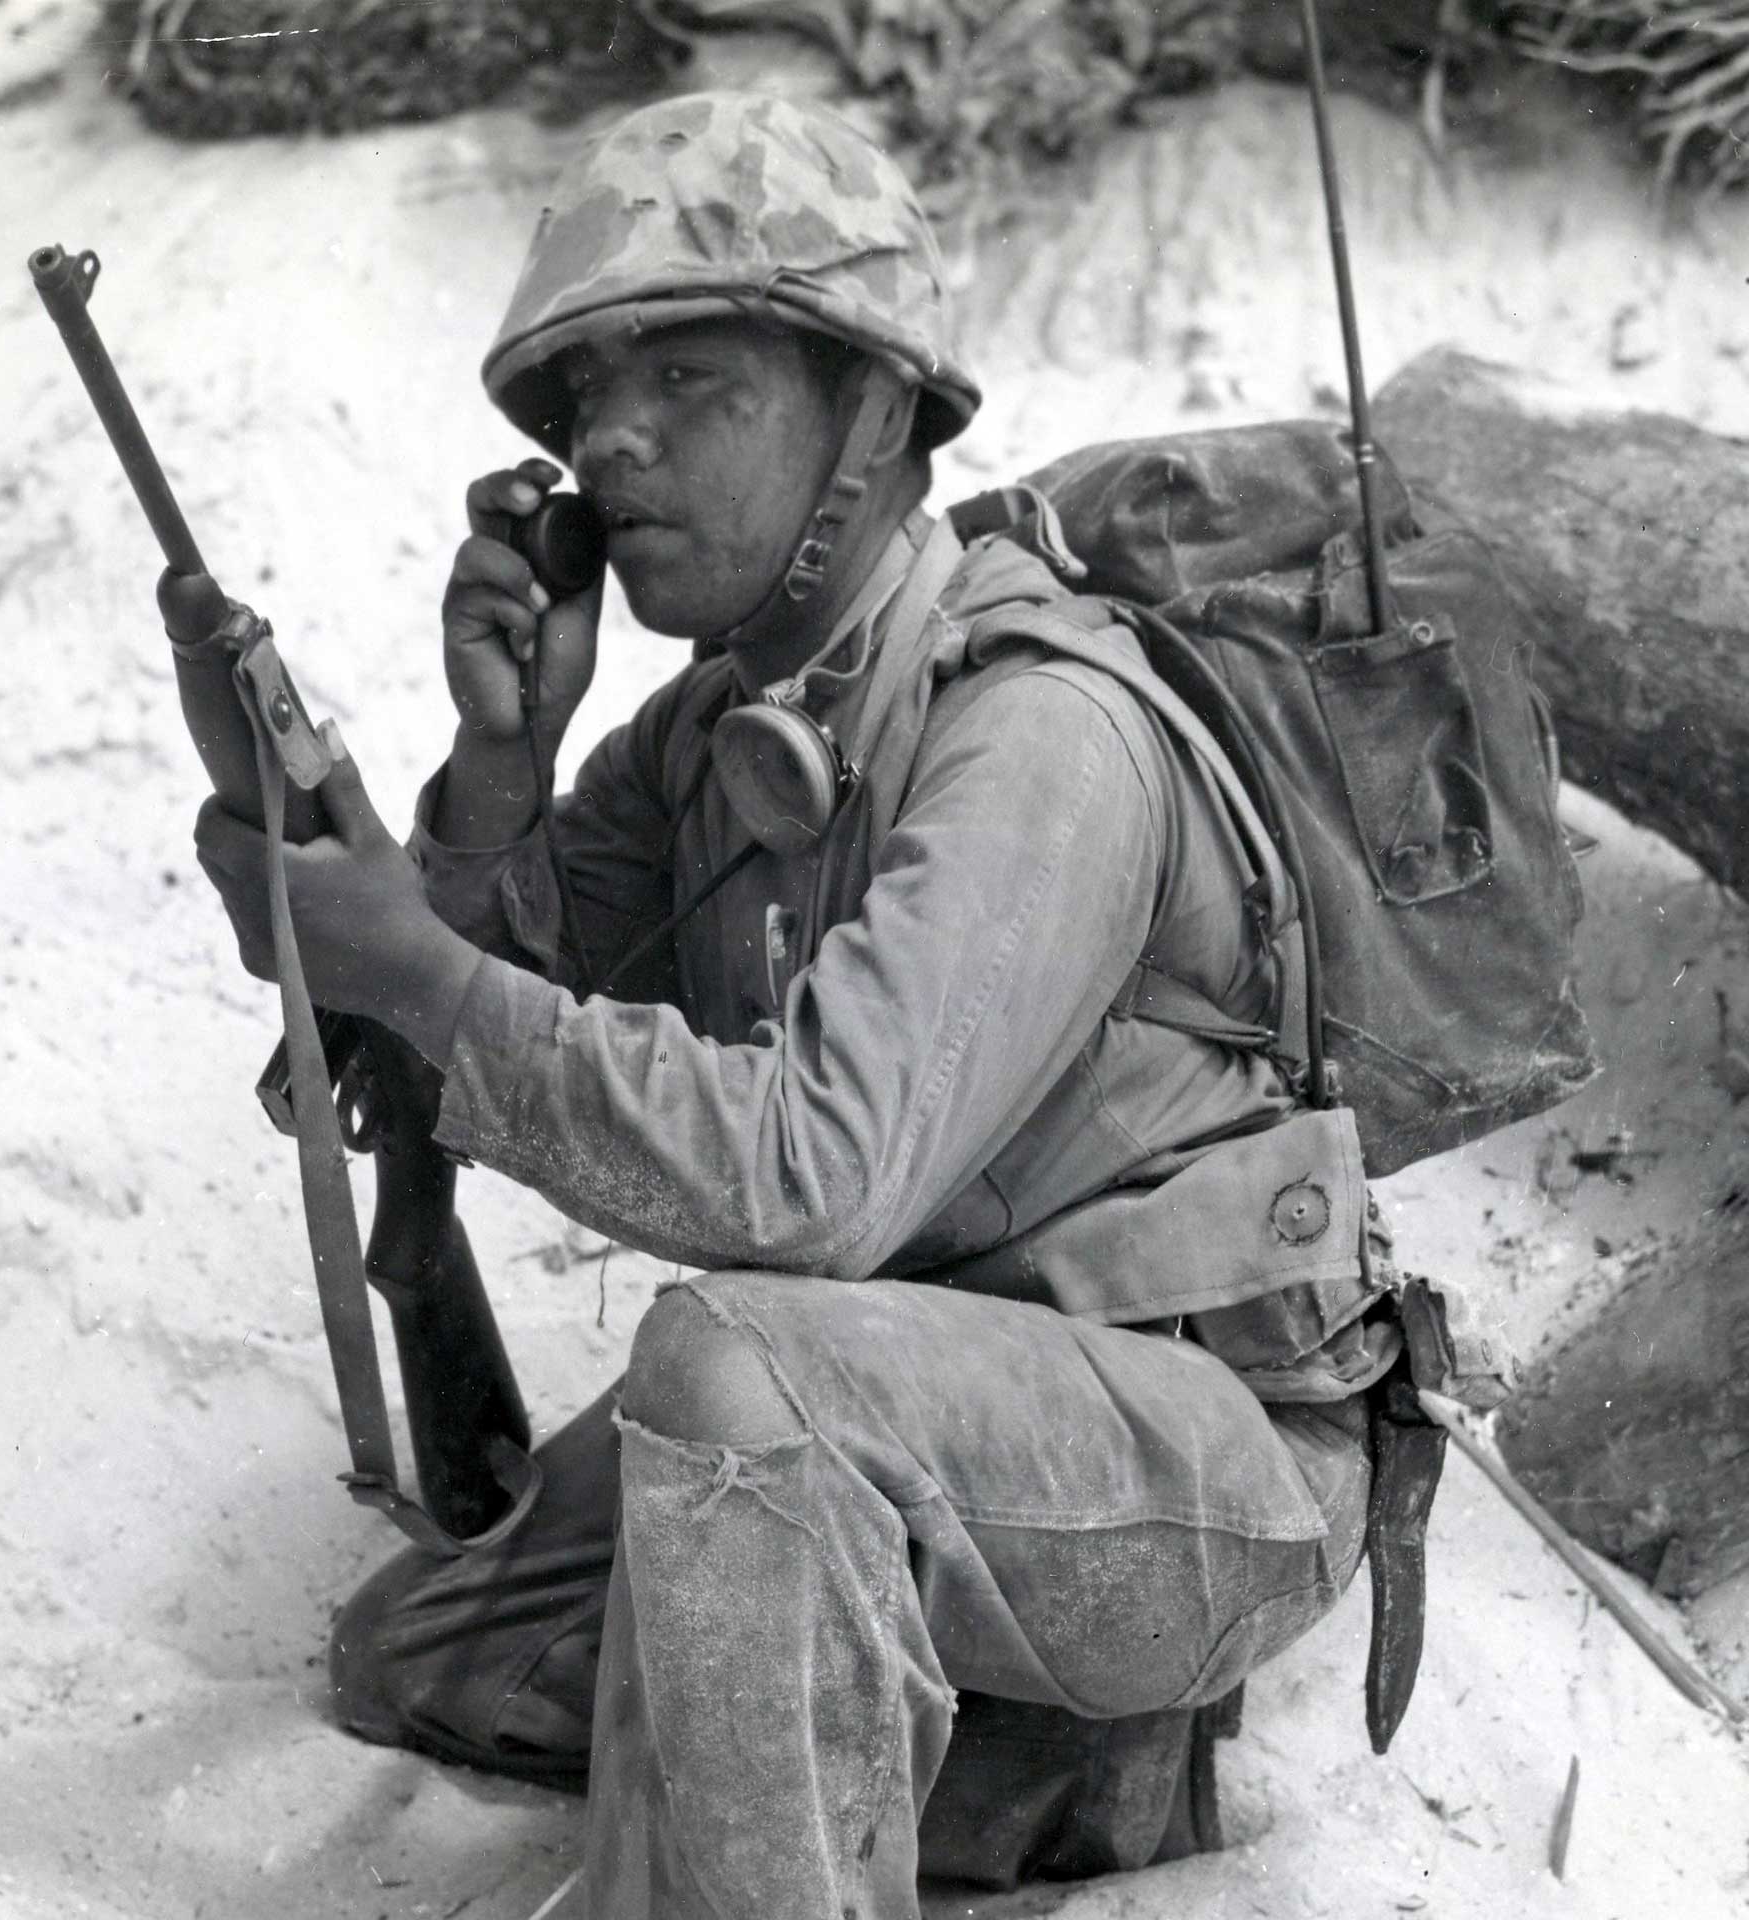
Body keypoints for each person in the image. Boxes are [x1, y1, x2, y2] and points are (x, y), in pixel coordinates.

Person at [194, 90, 1392, 1920]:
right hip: (908, 1409)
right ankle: (1011, 1769)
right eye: (587, 397)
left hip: (1192, 1456)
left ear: (876, 409)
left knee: (733, 1369)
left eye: (695, 384)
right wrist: (500, 768)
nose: (616, 442)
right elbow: (468, 1023)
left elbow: (807, 1184)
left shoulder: (1036, 723)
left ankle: (1000, 1755)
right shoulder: (715, 732)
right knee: (424, 1655)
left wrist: (425, 975)